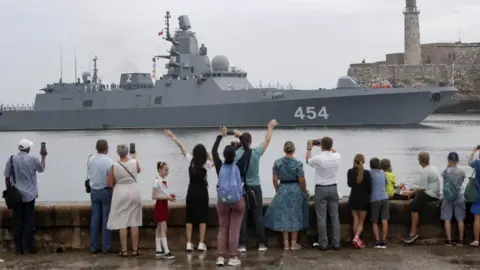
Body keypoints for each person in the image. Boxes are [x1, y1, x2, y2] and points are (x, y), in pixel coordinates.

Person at [164, 129, 214, 252]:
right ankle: (202, 243)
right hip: (202, 193)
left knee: (189, 218)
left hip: (191, 192)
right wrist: (209, 155)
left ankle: (188, 243)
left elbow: (181, 147)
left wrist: (172, 136)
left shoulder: (191, 161)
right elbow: (214, 163)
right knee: (203, 218)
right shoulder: (205, 164)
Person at [234, 119, 277, 252]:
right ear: (250, 142)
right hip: (255, 187)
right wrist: (270, 127)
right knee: (258, 215)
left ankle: (242, 244)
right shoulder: (256, 152)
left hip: (242, 187)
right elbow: (267, 140)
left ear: (240, 142)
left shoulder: (236, 154)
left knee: (243, 215)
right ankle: (261, 243)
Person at [4, 138, 46, 254]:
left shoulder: (11, 159)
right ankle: (29, 247)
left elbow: (7, 177)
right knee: (28, 221)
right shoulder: (32, 159)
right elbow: (41, 169)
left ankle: (18, 247)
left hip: (17, 195)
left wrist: (9, 191)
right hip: (30, 195)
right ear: (28, 148)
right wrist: (43, 156)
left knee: (17, 221)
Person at [264, 141, 308, 251]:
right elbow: (301, 180)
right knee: (295, 215)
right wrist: (304, 190)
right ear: (294, 150)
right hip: (295, 189)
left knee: (284, 216)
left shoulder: (277, 163)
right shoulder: (298, 164)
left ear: (284, 150)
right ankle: (293, 244)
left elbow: (274, 179)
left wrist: (277, 189)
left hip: (282, 188)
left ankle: (286, 244)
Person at [212, 127, 245, 266]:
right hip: (237, 201)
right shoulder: (239, 164)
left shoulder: (219, 165)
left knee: (223, 227)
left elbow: (213, 151)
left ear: (224, 156)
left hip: (223, 200)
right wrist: (239, 135)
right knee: (234, 229)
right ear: (235, 155)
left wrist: (221, 136)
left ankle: (220, 256)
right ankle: (233, 257)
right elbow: (248, 150)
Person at [106, 144, 143, 257]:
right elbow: (139, 170)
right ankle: (135, 250)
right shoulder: (134, 162)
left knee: (122, 221)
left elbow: (109, 182)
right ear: (127, 152)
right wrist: (134, 158)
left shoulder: (114, 165)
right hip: (134, 191)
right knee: (134, 221)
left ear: (118, 153)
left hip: (120, 192)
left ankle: (124, 250)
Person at [306, 136, 341, 250]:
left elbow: (308, 160)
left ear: (321, 145)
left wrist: (309, 148)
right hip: (333, 188)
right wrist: (326, 145)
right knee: (335, 217)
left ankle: (323, 243)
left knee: (321, 217)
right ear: (331, 145)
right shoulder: (337, 156)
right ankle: (336, 243)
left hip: (320, 189)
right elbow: (333, 151)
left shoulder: (318, 158)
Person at [403, 152, 441, 244]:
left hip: (431, 194)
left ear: (419, 160)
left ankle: (413, 233)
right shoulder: (431, 168)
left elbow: (422, 188)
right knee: (414, 194)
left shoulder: (425, 171)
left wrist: (410, 193)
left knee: (414, 206)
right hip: (435, 192)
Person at [88, 139, 113, 254]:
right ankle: (106, 246)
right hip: (105, 191)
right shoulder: (109, 161)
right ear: (106, 149)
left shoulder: (90, 159)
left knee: (94, 218)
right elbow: (110, 179)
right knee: (106, 219)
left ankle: (93, 246)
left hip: (94, 191)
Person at [441, 152, 466, 246]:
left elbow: (444, 179)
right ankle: (460, 241)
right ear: (458, 160)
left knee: (447, 218)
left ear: (448, 160)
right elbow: (462, 181)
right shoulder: (462, 172)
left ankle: (449, 241)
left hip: (448, 197)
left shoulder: (445, 171)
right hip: (458, 196)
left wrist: (448, 167)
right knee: (460, 219)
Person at [152, 161, 175, 259]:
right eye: (166, 170)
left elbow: (163, 193)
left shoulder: (162, 180)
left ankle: (158, 249)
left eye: (167, 170)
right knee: (163, 228)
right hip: (160, 205)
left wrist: (169, 197)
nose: (167, 172)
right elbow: (153, 196)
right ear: (160, 170)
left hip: (163, 204)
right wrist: (167, 198)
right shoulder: (157, 181)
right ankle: (166, 251)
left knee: (159, 227)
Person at [347, 154, 371, 249]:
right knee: (361, 222)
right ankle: (357, 238)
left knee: (355, 220)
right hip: (363, 200)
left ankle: (356, 239)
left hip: (353, 198)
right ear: (363, 161)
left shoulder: (350, 172)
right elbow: (370, 188)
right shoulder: (367, 173)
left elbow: (349, 184)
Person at [369, 157, 390, 248]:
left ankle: (377, 242)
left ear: (370, 165)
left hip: (375, 199)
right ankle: (384, 241)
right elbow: (386, 183)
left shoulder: (369, 173)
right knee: (384, 220)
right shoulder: (383, 173)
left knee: (375, 221)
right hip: (385, 198)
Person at [468, 146, 480, 247]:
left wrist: (473, 152)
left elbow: (469, 162)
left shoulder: (477, 163)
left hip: (478, 193)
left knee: (477, 219)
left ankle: (476, 240)